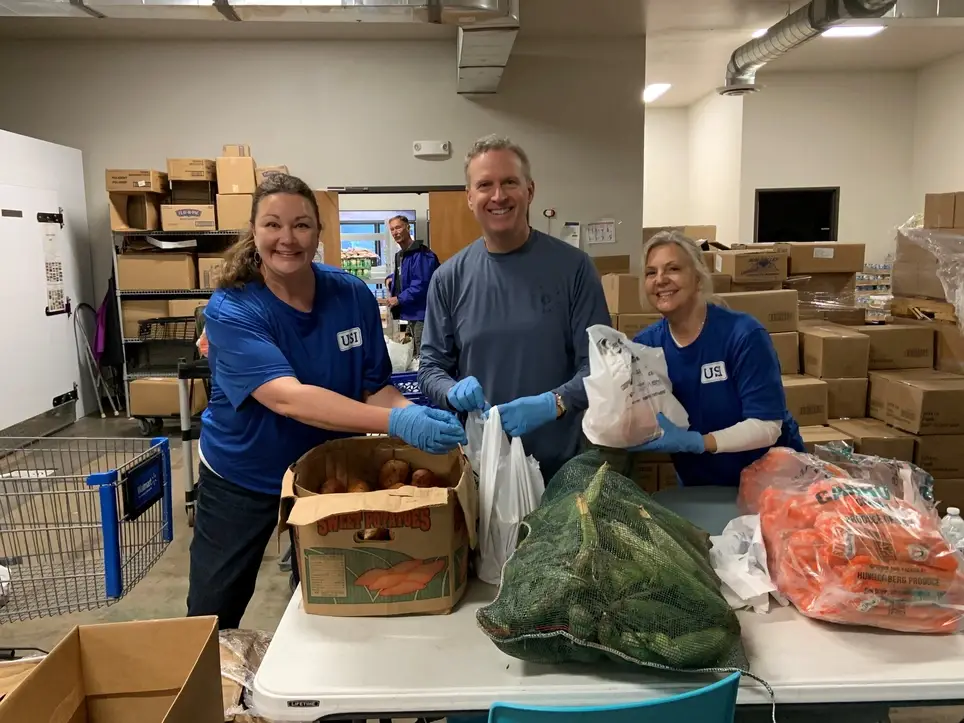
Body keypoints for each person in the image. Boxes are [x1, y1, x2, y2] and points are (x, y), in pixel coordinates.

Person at [188, 173, 466, 629]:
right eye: (273, 225)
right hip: (243, 475)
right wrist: (395, 424)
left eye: (301, 225)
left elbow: (375, 387)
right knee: (213, 609)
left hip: (323, 476)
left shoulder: (349, 295)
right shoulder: (233, 308)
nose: (287, 238)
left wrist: (413, 413)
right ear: (254, 231)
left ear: (318, 231)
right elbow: (289, 399)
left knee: (332, 594)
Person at [418, 135, 610, 481]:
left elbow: (601, 367)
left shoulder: (574, 268)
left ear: (530, 191)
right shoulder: (449, 278)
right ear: (470, 197)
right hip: (483, 468)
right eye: (485, 185)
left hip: (563, 471)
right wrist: (450, 390)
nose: (498, 196)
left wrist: (556, 402)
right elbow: (431, 367)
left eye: (509, 182)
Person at [631, 230, 804, 487]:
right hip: (701, 483)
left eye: (673, 269)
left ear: (698, 278)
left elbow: (767, 426)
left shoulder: (743, 335)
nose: (660, 280)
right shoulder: (646, 346)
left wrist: (699, 442)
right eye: (650, 272)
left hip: (773, 483)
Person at [385, 215, 439, 358]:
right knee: (409, 353)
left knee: (423, 355)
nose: (395, 232)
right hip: (406, 315)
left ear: (408, 228)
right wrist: (390, 278)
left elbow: (421, 284)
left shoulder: (422, 254)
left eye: (398, 227)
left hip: (421, 315)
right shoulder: (401, 255)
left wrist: (399, 299)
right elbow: (405, 274)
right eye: (392, 229)